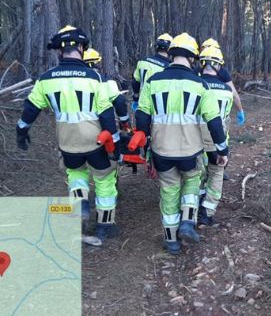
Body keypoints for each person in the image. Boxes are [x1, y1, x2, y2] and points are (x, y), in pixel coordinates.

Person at [16, 26, 120, 242]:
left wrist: (21, 129)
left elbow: (31, 108)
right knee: (105, 180)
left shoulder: (45, 79)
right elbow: (106, 114)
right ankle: (105, 226)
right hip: (96, 143)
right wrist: (116, 142)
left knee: (76, 176)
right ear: (81, 48)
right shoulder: (95, 78)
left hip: (67, 143)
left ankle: (80, 207)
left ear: (59, 51)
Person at [134, 33, 230, 254]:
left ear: (171, 54)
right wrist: (222, 150)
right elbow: (214, 122)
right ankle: (188, 221)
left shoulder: (153, 82)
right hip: (191, 151)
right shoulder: (200, 85)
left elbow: (142, 115)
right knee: (191, 183)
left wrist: (144, 141)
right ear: (194, 58)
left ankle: (171, 241)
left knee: (169, 191)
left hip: (161, 151)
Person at [196, 45, 234, 226]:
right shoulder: (227, 91)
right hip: (217, 141)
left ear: (202, 64)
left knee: (197, 174)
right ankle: (208, 212)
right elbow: (224, 119)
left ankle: (193, 206)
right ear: (218, 66)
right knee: (216, 174)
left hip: (194, 140)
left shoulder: (194, 85)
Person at [201, 38, 245, 126]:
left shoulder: (197, 70)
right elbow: (234, 94)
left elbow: (234, 94)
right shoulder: (222, 71)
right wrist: (240, 110)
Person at [83, 48, 130, 131]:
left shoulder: (70, 83)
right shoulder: (105, 80)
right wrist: (124, 122)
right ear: (93, 63)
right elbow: (119, 101)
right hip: (101, 127)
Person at [132, 33, 172, 111]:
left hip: (142, 103)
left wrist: (136, 97)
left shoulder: (142, 61)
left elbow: (135, 82)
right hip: (159, 106)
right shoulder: (169, 67)